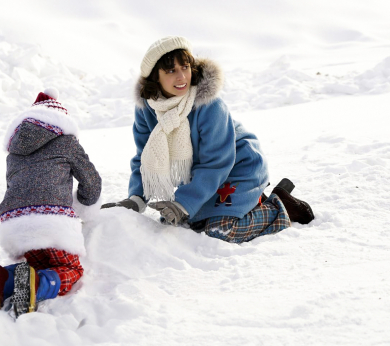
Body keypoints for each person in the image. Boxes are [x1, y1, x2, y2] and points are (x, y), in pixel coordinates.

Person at [102, 36, 313, 243]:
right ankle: (251, 203)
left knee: (219, 231)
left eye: (185, 67)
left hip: (239, 166)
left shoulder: (209, 106)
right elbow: (145, 159)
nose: (181, 77)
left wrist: (184, 203)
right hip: (205, 175)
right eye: (170, 70)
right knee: (185, 226)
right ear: (154, 77)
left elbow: (217, 163)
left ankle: (278, 205)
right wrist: (136, 199)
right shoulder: (147, 110)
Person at [0, 88, 102, 318]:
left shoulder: (14, 152)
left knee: (37, 267)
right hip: (53, 223)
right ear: (63, 121)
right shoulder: (68, 142)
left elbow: (14, 187)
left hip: (14, 222)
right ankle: (36, 287)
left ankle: (1, 279)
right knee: (71, 269)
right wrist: (84, 204)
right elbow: (91, 181)